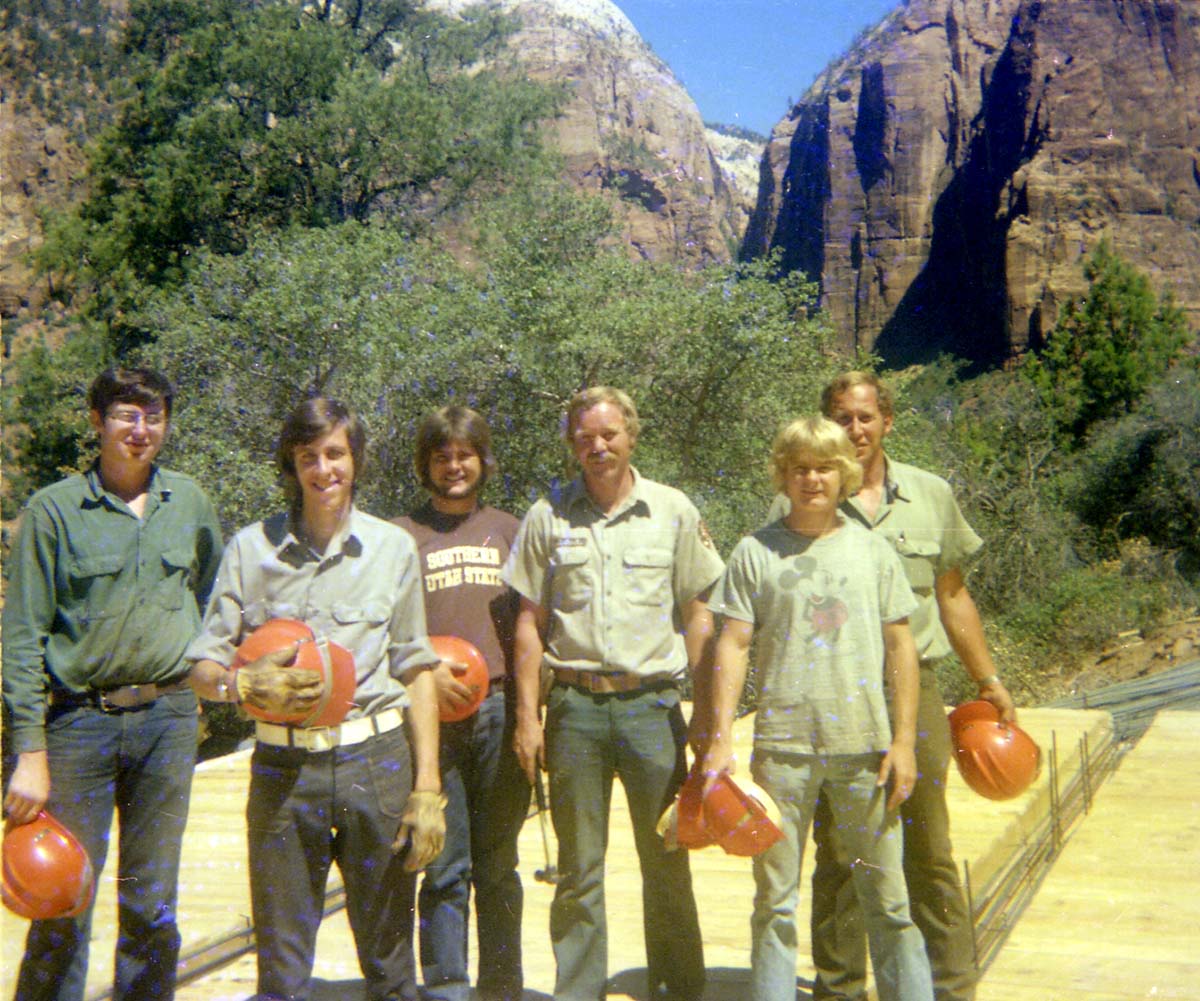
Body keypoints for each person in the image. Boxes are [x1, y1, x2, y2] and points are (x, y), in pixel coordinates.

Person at [186, 397, 446, 1001]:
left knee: (389, 958)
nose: (324, 469)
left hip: (375, 765)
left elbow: (416, 666)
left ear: (355, 461)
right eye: (309, 456)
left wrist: (427, 788)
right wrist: (238, 686)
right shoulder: (251, 550)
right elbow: (203, 664)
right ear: (291, 464)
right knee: (281, 964)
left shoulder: (392, 549)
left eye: (336, 454)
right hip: (283, 771)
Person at [768, 371, 1016, 1001]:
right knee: (839, 850)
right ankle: (841, 987)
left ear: (887, 422)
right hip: (834, 693)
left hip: (918, 689)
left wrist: (987, 679)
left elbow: (953, 596)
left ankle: (950, 987)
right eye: (842, 418)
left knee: (929, 846)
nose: (855, 430)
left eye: (865, 417)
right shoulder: (800, 502)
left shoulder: (929, 495)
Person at [2, 367, 223, 1001]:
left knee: (153, 903)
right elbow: (21, 639)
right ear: (98, 422)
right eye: (126, 415)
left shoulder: (191, 503)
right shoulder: (53, 512)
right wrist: (30, 753)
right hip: (79, 726)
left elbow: (210, 599)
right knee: (61, 898)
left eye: (153, 417)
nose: (140, 429)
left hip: (168, 722)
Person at [702, 416, 934, 1001]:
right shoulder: (755, 551)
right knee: (775, 903)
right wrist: (721, 739)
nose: (812, 479)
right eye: (800, 468)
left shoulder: (873, 551)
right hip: (782, 751)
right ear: (783, 476)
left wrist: (904, 742)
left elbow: (901, 645)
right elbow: (731, 643)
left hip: (866, 750)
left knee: (888, 900)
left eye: (825, 467)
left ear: (845, 475)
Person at [504, 386, 723, 1001]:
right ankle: (579, 990)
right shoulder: (547, 516)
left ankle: (679, 987)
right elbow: (529, 622)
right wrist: (529, 717)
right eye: (584, 438)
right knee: (578, 868)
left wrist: (706, 715)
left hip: (653, 707)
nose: (597, 447)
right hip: (573, 710)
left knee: (667, 855)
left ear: (631, 434)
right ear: (572, 444)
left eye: (608, 434)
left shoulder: (673, 510)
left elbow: (699, 614)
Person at [393, 405, 529, 1001]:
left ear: (483, 460)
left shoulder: (510, 528)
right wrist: (419, 677)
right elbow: (385, 630)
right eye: (442, 455)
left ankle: (502, 985)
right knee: (443, 861)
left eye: (465, 454)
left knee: (498, 864)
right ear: (426, 463)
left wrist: (532, 711)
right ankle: (446, 985)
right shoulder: (401, 535)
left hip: (499, 711)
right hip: (430, 719)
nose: (454, 466)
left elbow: (535, 626)